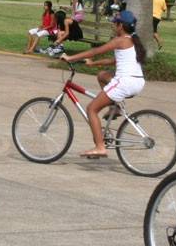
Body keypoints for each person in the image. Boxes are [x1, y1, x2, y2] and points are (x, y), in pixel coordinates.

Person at [60, 10, 148, 158]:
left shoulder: (120, 40)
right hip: (137, 81)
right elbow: (113, 61)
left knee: (91, 109)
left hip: (125, 82)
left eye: (115, 23)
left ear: (121, 26)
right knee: (102, 76)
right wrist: (93, 64)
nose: (113, 25)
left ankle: (100, 147)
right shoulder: (132, 41)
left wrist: (71, 58)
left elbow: (96, 50)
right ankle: (115, 107)